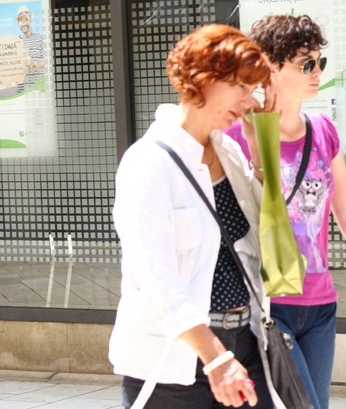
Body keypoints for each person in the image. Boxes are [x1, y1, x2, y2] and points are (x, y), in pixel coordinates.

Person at [225, 14, 346, 409]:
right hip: (269, 303)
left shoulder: (323, 130)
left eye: (320, 62)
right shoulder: (237, 134)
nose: (317, 72)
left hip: (320, 307)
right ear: (270, 67)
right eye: (306, 63)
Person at [109, 24, 284, 409]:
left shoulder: (230, 153)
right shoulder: (148, 162)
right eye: (240, 86)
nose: (248, 100)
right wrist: (214, 355)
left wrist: (261, 148)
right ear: (203, 78)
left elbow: (274, 239)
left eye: (253, 89)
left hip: (246, 343)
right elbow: (156, 276)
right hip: (176, 360)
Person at [16, 5, 45, 91]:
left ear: (31, 20)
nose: (24, 23)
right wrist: (1, 75)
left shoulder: (40, 38)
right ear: (18, 23)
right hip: (21, 91)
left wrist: (32, 64)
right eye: (20, 20)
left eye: (26, 19)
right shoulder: (15, 42)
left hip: (38, 90)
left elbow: (47, 64)